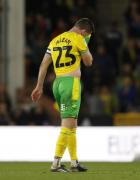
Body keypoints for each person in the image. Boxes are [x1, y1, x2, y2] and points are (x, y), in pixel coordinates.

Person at [31, 18, 94, 172]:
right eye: (87, 35)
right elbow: (88, 62)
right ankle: (56, 163)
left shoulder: (55, 40)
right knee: (67, 125)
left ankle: (74, 162)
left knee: (72, 124)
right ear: (83, 31)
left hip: (58, 84)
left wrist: (39, 86)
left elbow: (44, 65)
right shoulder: (79, 38)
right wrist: (85, 44)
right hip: (71, 84)